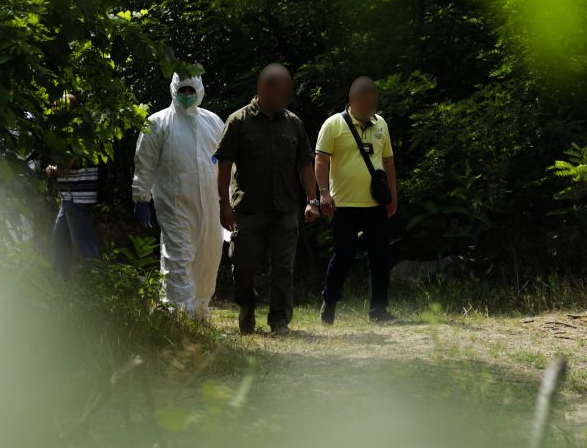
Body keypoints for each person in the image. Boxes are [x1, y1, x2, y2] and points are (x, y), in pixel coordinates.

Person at [214, 64, 320, 336]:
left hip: (285, 208)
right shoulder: (237, 122)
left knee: (283, 267)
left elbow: (305, 165)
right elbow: (223, 165)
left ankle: (280, 320)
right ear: (263, 89)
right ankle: (247, 307)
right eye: (281, 92)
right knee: (243, 265)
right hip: (247, 210)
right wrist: (224, 205)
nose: (285, 98)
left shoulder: (293, 123)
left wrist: (312, 200)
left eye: (288, 93)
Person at [132, 73, 225, 319]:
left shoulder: (213, 122)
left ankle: (200, 311)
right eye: (182, 90)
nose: (186, 96)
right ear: (174, 89)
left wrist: (229, 199)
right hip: (175, 205)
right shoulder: (157, 123)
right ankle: (178, 315)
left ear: (200, 90)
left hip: (211, 205)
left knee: (208, 256)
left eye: (190, 91)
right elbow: (145, 163)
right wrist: (141, 198)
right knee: (178, 257)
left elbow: (227, 164)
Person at [315, 76, 398, 325]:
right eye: (365, 104)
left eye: (373, 104)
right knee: (343, 256)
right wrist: (323, 193)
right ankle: (329, 303)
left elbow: (388, 162)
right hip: (344, 206)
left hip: (375, 206)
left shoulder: (381, 124)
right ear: (352, 100)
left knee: (381, 258)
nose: (369, 109)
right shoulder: (333, 125)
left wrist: (393, 197)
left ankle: (379, 311)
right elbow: (320, 160)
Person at [45, 93, 100, 279]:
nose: (53, 107)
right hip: (70, 197)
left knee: (84, 245)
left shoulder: (76, 132)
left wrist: (51, 170)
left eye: (58, 105)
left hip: (77, 198)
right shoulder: (80, 130)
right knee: (60, 241)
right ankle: (61, 284)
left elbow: (63, 166)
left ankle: (99, 286)